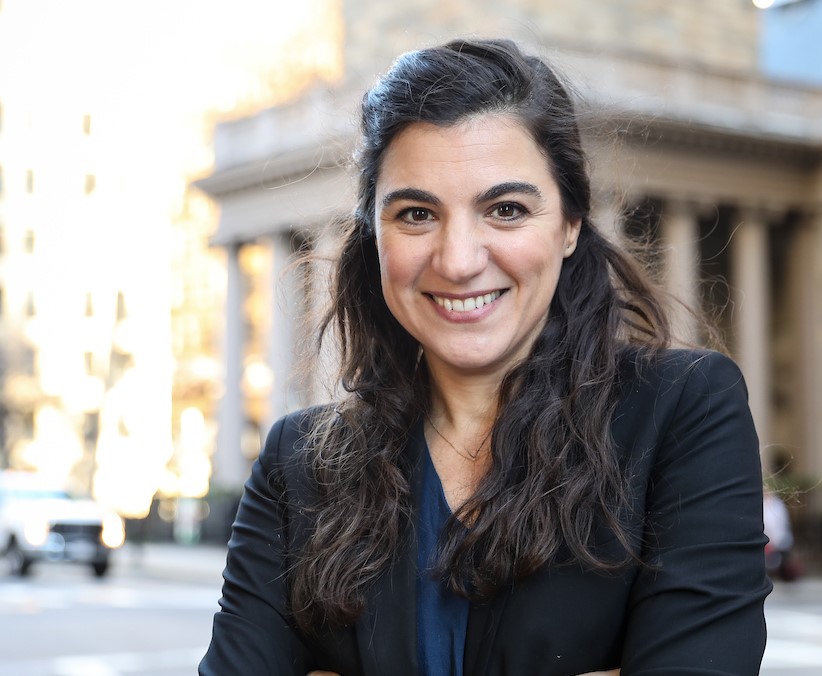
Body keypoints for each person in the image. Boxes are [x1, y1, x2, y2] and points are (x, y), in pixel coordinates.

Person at [201, 37, 771, 676]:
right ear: (375, 233)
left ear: (570, 226)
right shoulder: (298, 465)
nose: (459, 260)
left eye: (506, 210)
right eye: (417, 214)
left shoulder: (681, 411)